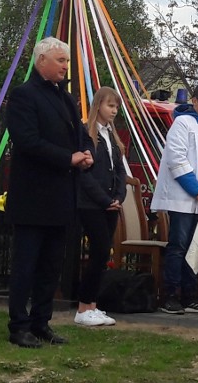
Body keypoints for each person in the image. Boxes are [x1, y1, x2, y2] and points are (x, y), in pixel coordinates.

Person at [5, 37, 94, 348]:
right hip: (33, 197)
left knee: (51, 267)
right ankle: (19, 326)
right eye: (60, 61)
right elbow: (27, 141)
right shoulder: (23, 96)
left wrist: (86, 152)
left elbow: (82, 135)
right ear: (41, 61)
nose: (65, 67)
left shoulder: (67, 99)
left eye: (67, 62)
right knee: (26, 266)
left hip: (61, 198)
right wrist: (67, 158)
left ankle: (42, 323)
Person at [150, 81, 198, 316]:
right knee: (178, 246)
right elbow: (177, 161)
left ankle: (190, 296)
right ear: (194, 101)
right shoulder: (181, 124)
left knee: (194, 247)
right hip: (182, 199)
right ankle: (170, 295)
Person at [74, 87, 127, 327]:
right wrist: (104, 200)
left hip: (109, 204)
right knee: (99, 250)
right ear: (98, 106)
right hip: (91, 204)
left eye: (116, 107)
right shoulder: (88, 133)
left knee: (103, 254)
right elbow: (85, 176)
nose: (114, 111)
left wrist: (118, 197)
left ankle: (92, 305)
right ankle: (83, 306)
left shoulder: (112, 137)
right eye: (110, 106)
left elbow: (120, 171)